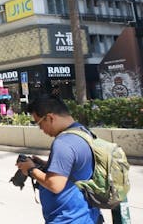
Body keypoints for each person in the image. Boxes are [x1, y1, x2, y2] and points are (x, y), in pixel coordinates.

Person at [16, 94, 102, 224]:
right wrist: (46, 165)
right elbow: (76, 169)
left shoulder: (63, 143)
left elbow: (55, 185)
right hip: (88, 215)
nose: (41, 130)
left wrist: (31, 169)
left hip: (69, 218)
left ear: (50, 118)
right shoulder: (83, 132)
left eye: (39, 124)